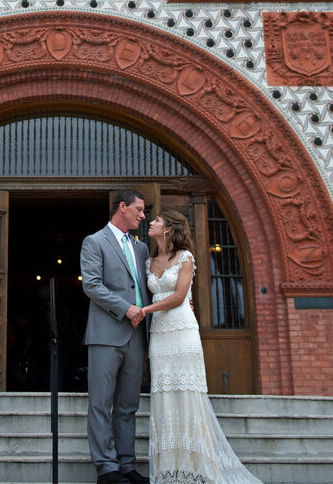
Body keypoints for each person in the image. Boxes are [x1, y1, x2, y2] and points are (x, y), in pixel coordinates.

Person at [140, 209, 265, 484]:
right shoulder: (149, 261)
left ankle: (195, 466)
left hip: (182, 331)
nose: (151, 222)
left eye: (157, 220)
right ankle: (169, 468)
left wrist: (145, 309)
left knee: (186, 394)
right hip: (159, 335)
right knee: (164, 395)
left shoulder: (186, 257)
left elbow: (179, 296)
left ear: (169, 228)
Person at [80, 188, 153, 484]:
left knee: (128, 405)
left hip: (136, 337)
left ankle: (126, 464)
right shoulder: (94, 242)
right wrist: (126, 309)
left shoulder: (141, 248)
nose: (143, 215)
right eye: (139, 209)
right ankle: (106, 467)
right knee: (100, 402)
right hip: (106, 334)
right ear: (122, 207)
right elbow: (92, 286)